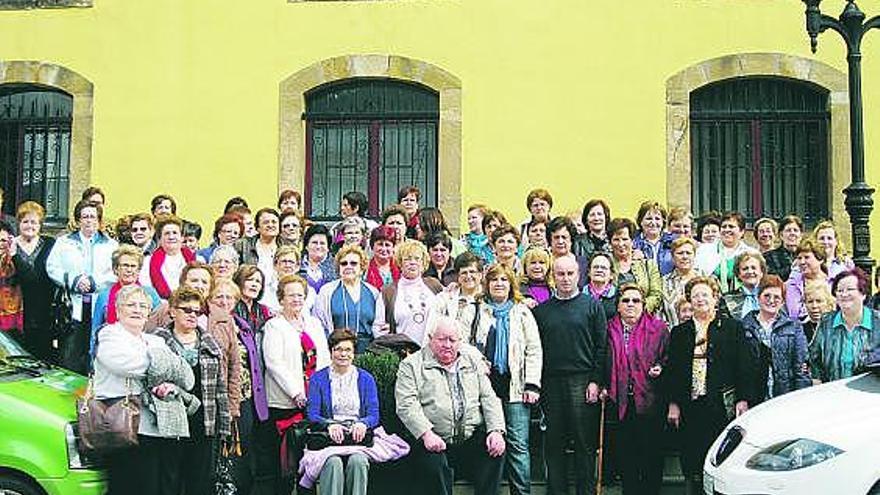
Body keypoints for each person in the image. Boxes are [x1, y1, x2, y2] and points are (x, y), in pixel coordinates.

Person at [395, 316, 507, 495]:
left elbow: (489, 398)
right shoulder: (411, 365)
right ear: (431, 339)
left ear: (460, 342)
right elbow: (407, 404)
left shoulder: (472, 361)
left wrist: (496, 430)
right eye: (441, 339)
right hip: (433, 440)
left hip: (468, 438)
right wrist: (426, 433)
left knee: (495, 451)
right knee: (433, 465)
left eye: (452, 340)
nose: (447, 344)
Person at [665, 276, 755, 494]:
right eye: (695, 295)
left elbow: (744, 365)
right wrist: (673, 404)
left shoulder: (732, 328)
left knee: (721, 456)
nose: (700, 299)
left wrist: (743, 399)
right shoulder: (680, 332)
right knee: (692, 456)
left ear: (715, 298)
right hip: (691, 405)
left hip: (721, 404)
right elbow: (674, 372)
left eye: (705, 294)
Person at [92, 285, 181, 495]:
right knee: (125, 485)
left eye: (143, 306)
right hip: (120, 425)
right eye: (131, 305)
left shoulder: (156, 339)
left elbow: (178, 369)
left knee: (151, 486)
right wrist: (161, 364)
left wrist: (163, 366)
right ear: (118, 309)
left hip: (153, 426)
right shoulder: (109, 334)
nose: (137, 310)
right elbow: (124, 364)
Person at [532, 255, 607, 495]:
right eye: (560, 274)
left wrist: (596, 380)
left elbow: (602, 346)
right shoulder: (542, 312)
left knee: (584, 444)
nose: (565, 279)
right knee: (554, 445)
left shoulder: (592, 305)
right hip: (551, 383)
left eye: (570, 274)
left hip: (583, 380)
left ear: (578, 275)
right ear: (552, 277)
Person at [472, 264, 542, 495]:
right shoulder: (477, 311)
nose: (499, 283)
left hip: (516, 386)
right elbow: (465, 343)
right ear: (487, 284)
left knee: (518, 445)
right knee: (488, 443)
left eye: (504, 279)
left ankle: (521, 492)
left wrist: (532, 384)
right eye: (494, 280)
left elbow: (533, 349)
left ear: (511, 284)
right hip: (485, 387)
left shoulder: (522, 312)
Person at [155, 287, 232, 495]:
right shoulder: (157, 341)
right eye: (186, 309)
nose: (192, 315)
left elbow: (220, 391)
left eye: (197, 312)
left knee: (199, 483)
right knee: (169, 481)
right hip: (168, 422)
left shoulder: (209, 344)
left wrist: (224, 428)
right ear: (172, 311)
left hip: (202, 423)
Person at [262, 274, 331, 492]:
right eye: (290, 295)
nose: (296, 299)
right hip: (285, 402)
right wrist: (296, 393)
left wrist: (320, 393)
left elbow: (324, 359)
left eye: (300, 295)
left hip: (313, 400)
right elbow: (274, 362)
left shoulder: (314, 323)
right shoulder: (274, 326)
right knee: (285, 462)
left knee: (310, 460)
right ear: (281, 299)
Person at [606, 283, 669, 495]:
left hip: (651, 401)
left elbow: (668, 358)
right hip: (621, 402)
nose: (631, 304)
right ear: (618, 306)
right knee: (626, 456)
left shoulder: (658, 328)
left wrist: (661, 367)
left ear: (643, 305)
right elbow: (602, 359)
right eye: (626, 300)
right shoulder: (609, 329)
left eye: (636, 300)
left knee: (651, 456)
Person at [47, 199, 119, 374]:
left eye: (93, 217)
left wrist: (95, 282)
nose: (89, 220)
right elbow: (52, 267)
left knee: (96, 355)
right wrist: (74, 281)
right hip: (73, 307)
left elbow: (115, 271)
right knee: (70, 354)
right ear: (78, 220)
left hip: (99, 305)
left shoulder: (111, 245)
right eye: (84, 216)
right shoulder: (64, 242)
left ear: (99, 220)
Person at [305, 328, 380, 495]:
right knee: (333, 463)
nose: (343, 354)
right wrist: (329, 425)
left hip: (356, 439)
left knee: (358, 462)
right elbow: (312, 414)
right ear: (331, 352)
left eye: (348, 350)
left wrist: (363, 423)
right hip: (328, 440)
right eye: (338, 349)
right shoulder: (318, 379)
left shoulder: (366, 379)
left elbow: (374, 414)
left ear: (354, 353)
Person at [740, 275, 811, 403]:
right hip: (755, 396)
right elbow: (739, 368)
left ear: (783, 301)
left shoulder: (794, 327)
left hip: (785, 394)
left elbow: (801, 366)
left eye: (777, 297)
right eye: (767, 296)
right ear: (758, 297)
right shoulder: (743, 326)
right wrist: (742, 398)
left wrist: (802, 398)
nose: (771, 300)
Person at [810, 268, 880, 382]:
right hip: (833, 392)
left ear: (863, 294)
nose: (844, 294)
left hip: (869, 394)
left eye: (850, 289)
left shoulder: (877, 322)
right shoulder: (826, 322)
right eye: (840, 290)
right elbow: (814, 358)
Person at [91, 245, 162, 354]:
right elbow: (95, 330)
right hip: (111, 349)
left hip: (143, 351)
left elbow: (160, 325)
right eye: (125, 265)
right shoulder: (104, 295)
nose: (129, 270)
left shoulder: (150, 293)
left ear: (138, 270)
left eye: (133, 266)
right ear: (116, 269)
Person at [314, 245, 385, 354]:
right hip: (337, 350)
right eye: (344, 263)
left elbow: (379, 325)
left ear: (361, 268)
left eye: (353, 263)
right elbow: (319, 324)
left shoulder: (373, 292)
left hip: (367, 351)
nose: (348, 266)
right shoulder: (327, 291)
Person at [376, 239, 443, 347]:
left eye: (417, 259)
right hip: (401, 352)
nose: (413, 262)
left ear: (423, 263)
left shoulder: (434, 286)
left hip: (433, 351)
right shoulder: (388, 292)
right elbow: (378, 327)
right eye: (407, 259)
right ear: (400, 263)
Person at [13, 201, 56, 361]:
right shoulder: (11, 246)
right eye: (25, 221)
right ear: (19, 223)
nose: (29, 225)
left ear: (40, 225)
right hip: (19, 308)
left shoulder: (50, 244)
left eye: (34, 222)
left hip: (44, 310)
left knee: (43, 356)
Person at [694, 211, 758, 294]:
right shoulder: (704, 250)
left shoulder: (752, 253)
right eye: (724, 227)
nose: (727, 230)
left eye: (731, 227)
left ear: (742, 232)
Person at [608, 217, 663, 314]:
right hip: (612, 318)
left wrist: (639, 308)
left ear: (632, 241)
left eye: (625, 239)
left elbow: (656, 294)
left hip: (643, 318)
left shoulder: (648, 265)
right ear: (610, 242)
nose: (621, 244)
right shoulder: (605, 264)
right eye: (616, 239)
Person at [140, 215, 196, 299]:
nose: (171, 237)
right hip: (161, 306)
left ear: (182, 238)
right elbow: (147, 290)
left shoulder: (196, 260)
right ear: (160, 239)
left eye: (175, 233)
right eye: (167, 233)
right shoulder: (148, 261)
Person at [433, 252, 484, 336]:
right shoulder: (444, 299)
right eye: (464, 273)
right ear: (458, 276)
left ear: (480, 275)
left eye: (472, 272)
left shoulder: (489, 298)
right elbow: (432, 328)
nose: (468, 276)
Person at [0, 220, 32, 343]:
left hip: (11, 324)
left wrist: (14, 254)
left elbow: (29, 278)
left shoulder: (15, 260)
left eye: (3, 240)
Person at [785, 239, 828, 323]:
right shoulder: (793, 283)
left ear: (820, 259)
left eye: (806, 257)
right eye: (799, 258)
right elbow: (794, 314)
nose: (802, 262)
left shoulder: (833, 281)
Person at [662, 236, 701, 326]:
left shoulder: (706, 280)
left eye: (688, 253)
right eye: (680, 253)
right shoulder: (663, 282)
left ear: (694, 255)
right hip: (672, 335)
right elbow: (659, 314)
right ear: (672, 257)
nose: (684, 257)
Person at [632, 200, 676, 275]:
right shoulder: (633, 243)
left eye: (657, 219)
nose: (653, 223)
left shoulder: (673, 242)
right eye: (649, 219)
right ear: (641, 221)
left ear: (663, 222)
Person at [546, 215, 589, 288]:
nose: (560, 241)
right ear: (550, 240)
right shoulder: (544, 263)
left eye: (564, 237)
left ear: (571, 240)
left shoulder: (583, 263)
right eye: (556, 237)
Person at [720, 252, 765, 320]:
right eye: (745, 269)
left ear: (761, 272)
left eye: (753, 268)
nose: (750, 271)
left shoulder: (770, 296)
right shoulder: (727, 299)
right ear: (738, 274)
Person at [233, 264, 274, 336]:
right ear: (239, 282)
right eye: (250, 280)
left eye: (258, 281)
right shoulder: (230, 306)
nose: (254, 284)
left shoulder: (264, 311)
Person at [300, 224, 337, 294]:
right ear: (306, 246)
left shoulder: (336, 265)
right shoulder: (297, 264)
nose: (318, 246)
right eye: (314, 242)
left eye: (322, 243)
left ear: (328, 248)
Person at [764, 215, 803, 281]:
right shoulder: (768, 257)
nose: (792, 233)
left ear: (801, 235)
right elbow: (772, 278)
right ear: (781, 235)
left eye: (795, 230)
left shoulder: (807, 256)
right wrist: (792, 268)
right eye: (788, 230)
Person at [583, 251, 618, 321]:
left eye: (603, 268)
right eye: (595, 267)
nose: (599, 270)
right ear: (589, 272)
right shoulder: (579, 294)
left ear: (611, 275)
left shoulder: (618, 296)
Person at [365, 226, 400, 291]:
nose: (384, 249)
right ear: (372, 246)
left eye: (387, 245)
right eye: (380, 244)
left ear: (393, 247)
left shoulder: (400, 268)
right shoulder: (364, 269)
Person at [803, 280, 834, 344]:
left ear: (828, 302)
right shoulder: (800, 328)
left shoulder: (838, 326)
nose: (814, 306)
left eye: (819, 301)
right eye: (810, 302)